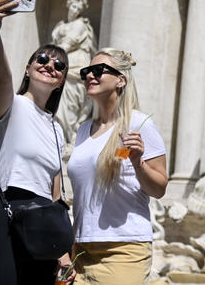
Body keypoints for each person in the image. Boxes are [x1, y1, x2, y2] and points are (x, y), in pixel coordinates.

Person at [0, 0, 75, 284]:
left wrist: (64, 254)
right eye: (42, 59)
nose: (50, 65)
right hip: (8, 212)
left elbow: (56, 191)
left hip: (44, 224)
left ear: (61, 80)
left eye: (59, 65)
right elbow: (0, 75)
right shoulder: (12, 104)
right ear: (29, 68)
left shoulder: (56, 128)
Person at [67, 48, 168, 284]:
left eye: (98, 70)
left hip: (124, 248)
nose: (89, 76)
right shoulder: (83, 130)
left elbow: (160, 188)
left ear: (121, 80)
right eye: (85, 72)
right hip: (81, 248)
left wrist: (138, 162)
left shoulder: (139, 123)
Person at [52, 0, 96, 153]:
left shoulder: (79, 25)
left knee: (68, 108)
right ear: (68, 6)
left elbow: (67, 44)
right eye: (73, 7)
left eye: (78, 8)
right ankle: (56, 140)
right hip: (60, 68)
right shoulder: (61, 25)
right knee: (57, 106)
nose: (75, 10)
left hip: (73, 70)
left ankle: (66, 140)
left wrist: (49, 55)